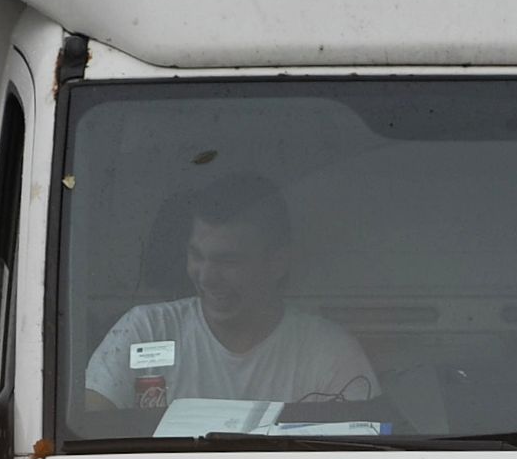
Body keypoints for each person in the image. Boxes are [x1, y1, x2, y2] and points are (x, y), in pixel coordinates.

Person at [81, 171, 380, 426]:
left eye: (228, 261)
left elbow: (363, 450)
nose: (207, 277)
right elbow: (88, 431)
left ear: (278, 263)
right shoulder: (144, 330)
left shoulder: (329, 351)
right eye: (197, 255)